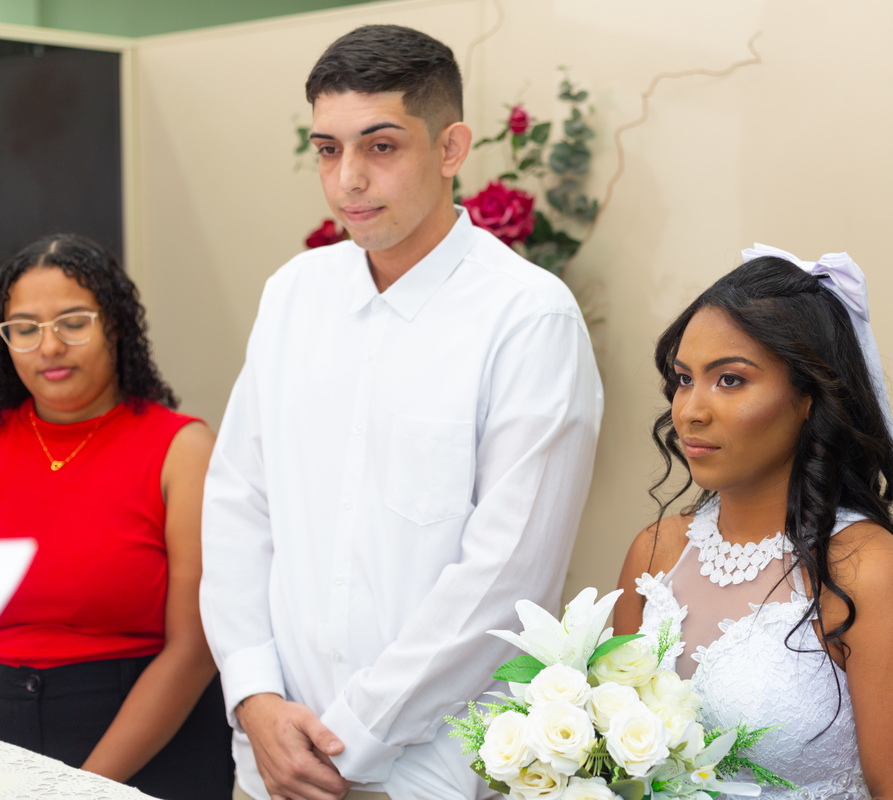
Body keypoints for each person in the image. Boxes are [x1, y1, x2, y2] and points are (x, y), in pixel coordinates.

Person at [199, 24, 603, 800]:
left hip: (427, 773)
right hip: (272, 761)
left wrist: (351, 737)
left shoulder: (528, 317)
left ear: (451, 148)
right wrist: (254, 696)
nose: (348, 179)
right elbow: (238, 508)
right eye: (327, 150)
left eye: (380, 146)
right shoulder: (293, 294)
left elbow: (506, 575)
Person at [613, 247, 893, 798]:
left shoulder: (871, 574)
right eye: (684, 379)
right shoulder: (655, 552)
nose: (690, 410)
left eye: (730, 380)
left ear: (808, 396)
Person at [0, 234, 232, 799]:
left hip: (144, 748)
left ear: (116, 325)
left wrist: (77, 789)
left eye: (73, 323)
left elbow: (195, 648)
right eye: (25, 329)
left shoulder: (183, 451)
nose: (50, 346)